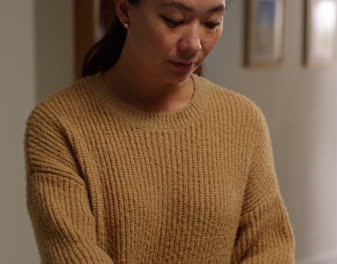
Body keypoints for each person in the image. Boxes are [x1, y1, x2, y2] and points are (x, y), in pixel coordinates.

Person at [24, 0, 295, 263]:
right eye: (173, 20)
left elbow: (270, 247)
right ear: (124, 9)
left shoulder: (242, 119)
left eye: (212, 22)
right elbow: (73, 252)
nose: (194, 44)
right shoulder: (58, 124)